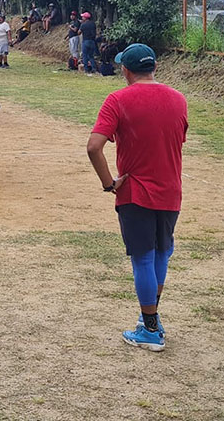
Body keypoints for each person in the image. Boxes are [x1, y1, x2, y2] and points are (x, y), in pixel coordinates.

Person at [86, 43, 188, 352]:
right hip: (170, 189)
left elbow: (94, 147)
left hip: (135, 192)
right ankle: (150, 319)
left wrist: (109, 184)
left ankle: (151, 329)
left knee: (143, 257)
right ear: (154, 67)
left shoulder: (118, 99)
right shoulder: (179, 100)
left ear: (126, 70)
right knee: (161, 254)